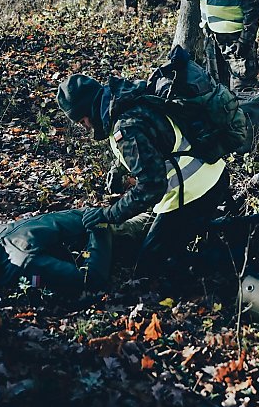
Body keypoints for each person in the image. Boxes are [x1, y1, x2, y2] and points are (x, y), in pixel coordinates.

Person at [56, 73, 230, 276]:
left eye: (82, 120)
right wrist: (119, 168)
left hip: (195, 193)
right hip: (212, 175)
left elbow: (152, 187)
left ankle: (232, 255)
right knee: (162, 241)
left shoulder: (126, 128)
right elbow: (153, 142)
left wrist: (108, 214)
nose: (85, 127)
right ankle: (216, 231)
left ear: (89, 109)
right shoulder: (126, 100)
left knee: (151, 268)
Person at [0, 209, 112, 296]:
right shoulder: (23, 262)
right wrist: (100, 229)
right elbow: (90, 279)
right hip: (108, 226)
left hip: (94, 213)